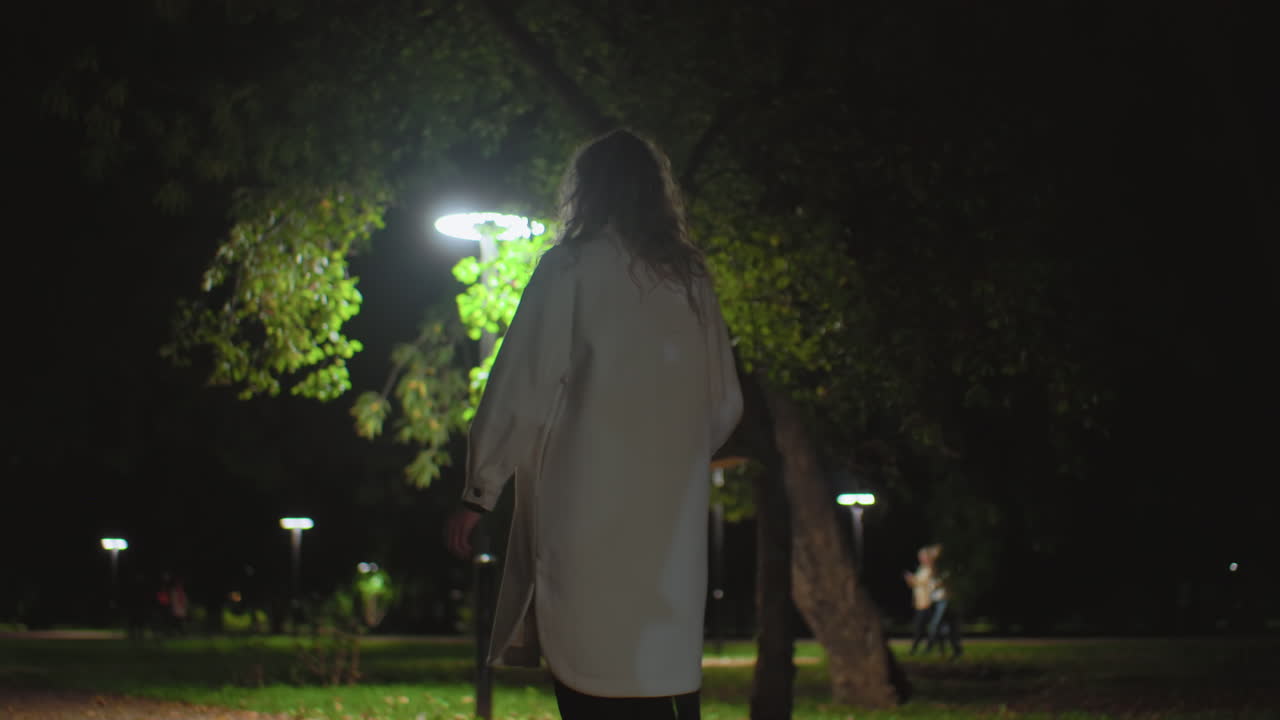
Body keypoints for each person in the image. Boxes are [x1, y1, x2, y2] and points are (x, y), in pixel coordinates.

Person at [445, 128, 743, 719]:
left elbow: (519, 386)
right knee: (660, 683)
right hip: (669, 531)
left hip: (585, 518)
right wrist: (672, 457)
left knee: (592, 680)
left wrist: (479, 492)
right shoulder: (691, 281)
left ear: (586, 191)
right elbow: (724, 404)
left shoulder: (569, 269)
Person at [924, 544, 963, 660]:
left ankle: (932, 647)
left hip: (944, 600)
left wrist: (934, 581)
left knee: (935, 626)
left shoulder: (946, 569)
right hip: (936, 600)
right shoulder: (933, 569)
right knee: (945, 628)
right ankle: (950, 650)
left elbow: (943, 583)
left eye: (934, 555)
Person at [902, 545, 937, 655]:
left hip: (927, 602)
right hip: (919, 603)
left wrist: (913, 579)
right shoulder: (921, 569)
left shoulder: (930, 569)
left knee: (921, 627)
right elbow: (915, 584)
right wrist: (910, 580)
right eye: (920, 557)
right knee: (924, 627)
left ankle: (915, 648)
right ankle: (929, 647)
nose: (921, 558)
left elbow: (922, 582)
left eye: (922, 556)